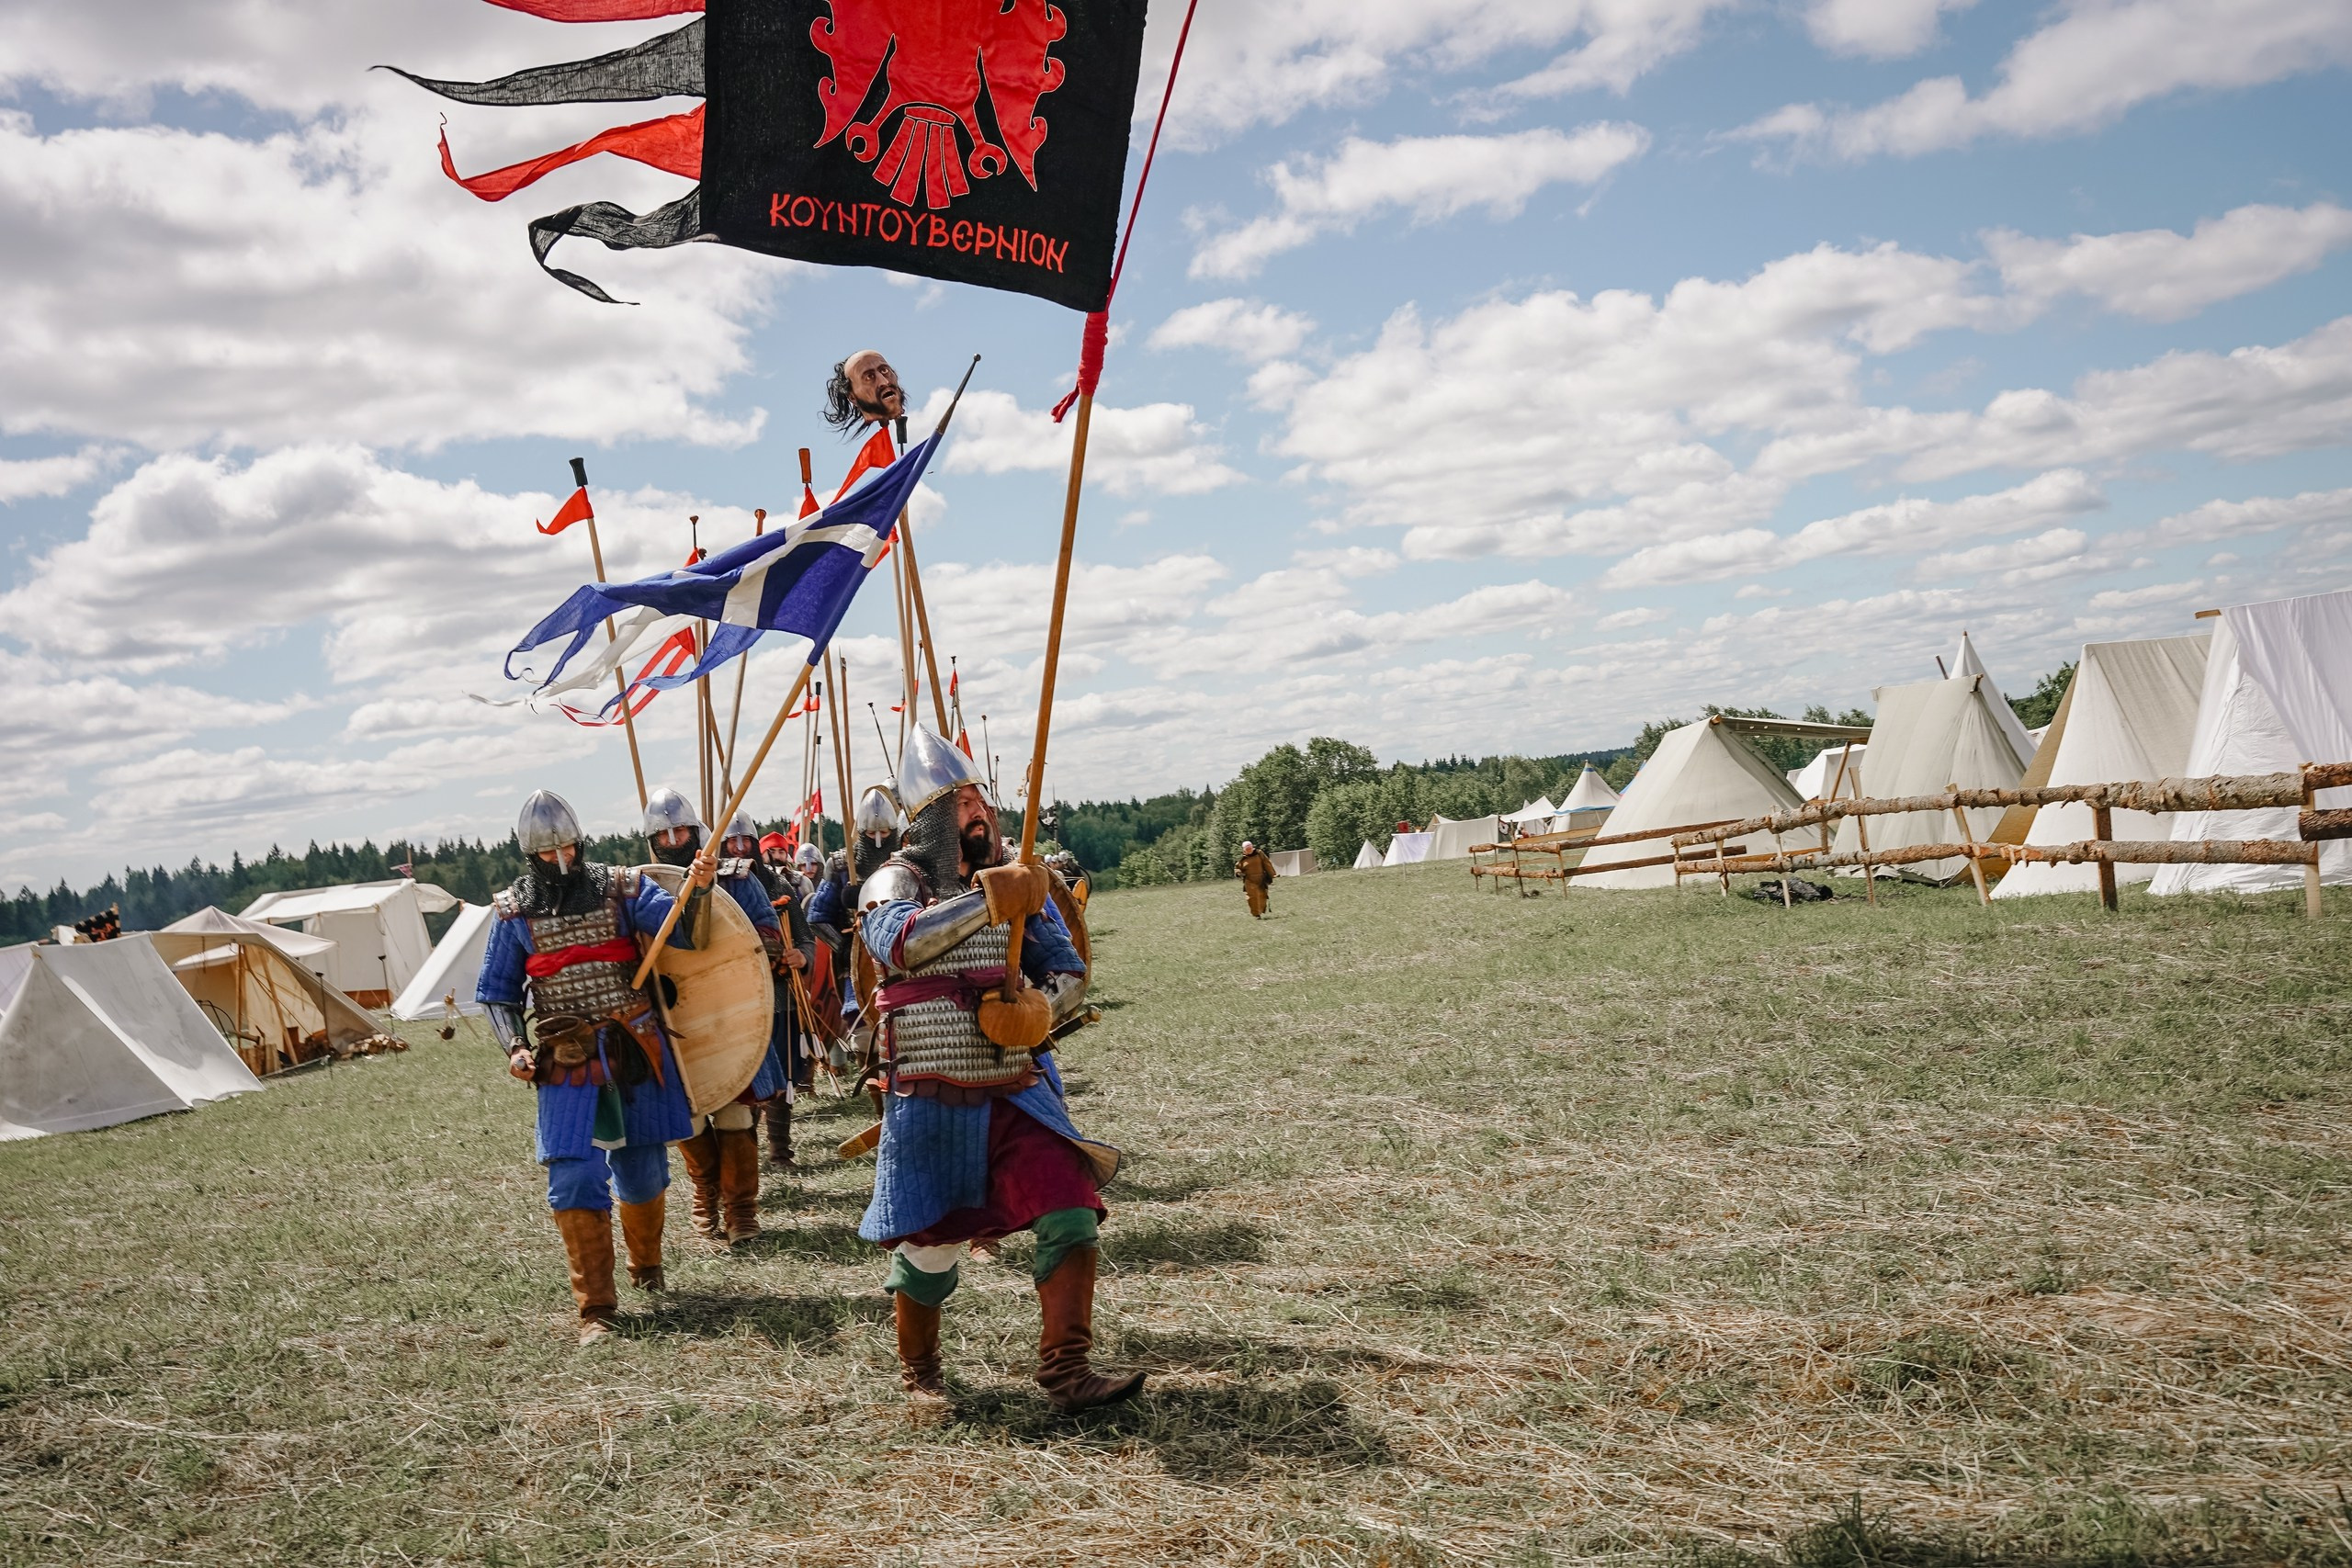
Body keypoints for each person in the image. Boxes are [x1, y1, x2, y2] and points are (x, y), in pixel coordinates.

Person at [857, 729, 1140, 1412]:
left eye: (980, 798)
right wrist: (990, 899)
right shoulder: (897, 880)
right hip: (930, 1091)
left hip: (1015, 1085)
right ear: (929, 818)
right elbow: (900, 943)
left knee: (1070, 1204)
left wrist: (1037, 1007)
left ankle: (1067, 1369)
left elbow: (1068, 968)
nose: (978, 810)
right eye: (962, 802)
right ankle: (921, 1372)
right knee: (930, 1247)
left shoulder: (1018, 878)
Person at [477, 789, 712, 1345]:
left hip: (634, 1046)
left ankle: (646, 1264)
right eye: (548, 852)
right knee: (573, 1175)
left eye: (567, 848)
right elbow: (497, 992)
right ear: (530, 855)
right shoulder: (513, 912)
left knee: (644, 1172)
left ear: (580, 844)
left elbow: (684, 932)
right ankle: (597, 1309)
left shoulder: (624, 887)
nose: (560, 859)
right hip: (567, 1054)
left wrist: (698, 890)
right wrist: (515, 1047)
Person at [637, 789, 794, 1245]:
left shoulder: (737, 878)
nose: (673, 840)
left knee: (735, 1114)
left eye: (680, 830)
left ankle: (741, 1211)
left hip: (730, 1010)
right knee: (687, 1116)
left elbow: (766, 931)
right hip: (674, 1017)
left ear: (695, 830)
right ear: (652, 840)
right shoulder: (644, 886)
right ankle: (706, 1194)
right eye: (664, 834)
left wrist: (744, 949)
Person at [718, 807, 820, 1169]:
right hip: (733, 997)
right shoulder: (716, 888)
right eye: (731, 841)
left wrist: (801, 956)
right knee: (742, 1077)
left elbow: (805, 938)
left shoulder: (779, 886)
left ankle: (779, 1151)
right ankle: (746, 1152)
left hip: (778, 993)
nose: (739, 847)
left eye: (745, 840)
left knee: (783, 1070)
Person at [1236, 840, 1275, 919]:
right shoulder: (1242, 859)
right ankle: (1256, 914)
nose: (1249, 850)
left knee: (1262, 896)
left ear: (1252, 847)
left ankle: (1261, 910)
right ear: (1244, 850)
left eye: (1250, 848)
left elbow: (1267, 863)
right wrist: (1238, 872)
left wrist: (1272, 874)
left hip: (1261, 879)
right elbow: (1237, 868)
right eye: (1247, 849)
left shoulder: (1259, 853)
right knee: (1252, 898)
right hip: (1249, 880)